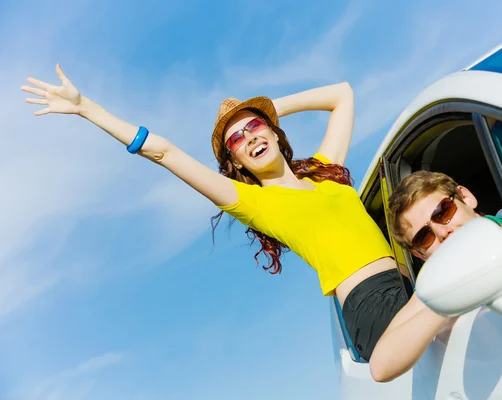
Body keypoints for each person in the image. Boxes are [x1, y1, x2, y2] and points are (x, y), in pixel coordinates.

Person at [21, 65, 413, 366]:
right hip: (370, 304)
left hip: (407, 279)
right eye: (236, 140)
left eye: (255, 128)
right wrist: (86, 108)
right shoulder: (252, 202)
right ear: (236, 161)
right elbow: (165, 152)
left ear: (276, 133)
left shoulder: (328, 172)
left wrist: (266, 111)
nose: (249, 138)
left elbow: (342, 95)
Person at [369, 170, 502, 382]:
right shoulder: (437, 285)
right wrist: (445, 302)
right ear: (419, 253)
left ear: (466, 197)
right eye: (424, 237)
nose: (442, 232)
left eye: (442, 212)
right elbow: (381, 366)